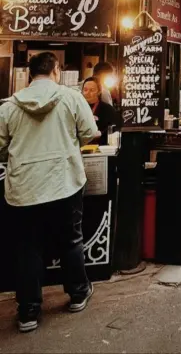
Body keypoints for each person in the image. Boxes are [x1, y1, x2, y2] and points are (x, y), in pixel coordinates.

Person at [0, 52, 99, 333]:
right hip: (64, 181)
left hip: (24, 187)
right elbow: (90, 131)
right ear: (56, 70)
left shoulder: (8, 106)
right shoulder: (70, 98)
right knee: (70, 240)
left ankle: (29, 312)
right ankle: (78, 293)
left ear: (31, 74)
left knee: (28, 249)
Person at [81, 77, 121, 146]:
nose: (87, 93)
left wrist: (101, 134)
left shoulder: (108, 109)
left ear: (99, 92)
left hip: (101, 147)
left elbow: (114, 128)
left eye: (92, 90)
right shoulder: (78, 108)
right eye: (85, 90)